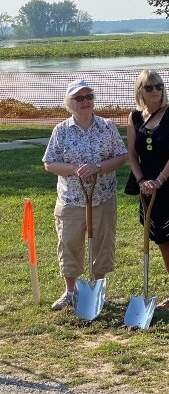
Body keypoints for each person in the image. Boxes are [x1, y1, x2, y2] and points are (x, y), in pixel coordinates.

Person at [43, 79, 128, 310]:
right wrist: (74, 169)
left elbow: (121, 156)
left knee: (102, 243)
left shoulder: (107, 126)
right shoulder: (61, 130)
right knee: (69, 243)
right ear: (70, 103)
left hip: (103, 197)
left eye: (89, 96)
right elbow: (49, 163)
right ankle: (70, 292)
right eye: (79, 98)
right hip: (70, 199)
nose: (85, 102)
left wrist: (98, 167)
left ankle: (98, 289)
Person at [125, 69, 169, 310]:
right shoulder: (134, 117)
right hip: (147, 189)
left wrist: (161, 178)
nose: (155, 91)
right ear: (140, 91)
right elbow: (132, 154)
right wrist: (142, 179)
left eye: (159, 87)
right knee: (162, 242)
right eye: (149, 87)